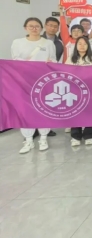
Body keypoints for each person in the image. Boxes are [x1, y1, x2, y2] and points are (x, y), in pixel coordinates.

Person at [11, 18, 56, 154]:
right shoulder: (17, 42)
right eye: (31, 26)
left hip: (43, 81)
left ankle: (43, 138)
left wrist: (50, 62)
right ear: (25, 28)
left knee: (44, 108)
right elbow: (14, 61)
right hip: (23, 82)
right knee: (25, 110)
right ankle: (28, 140)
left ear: (41, 28)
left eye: (37, 26)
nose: (34, 28)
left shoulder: (48, 43)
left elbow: (54, 60)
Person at [65, 36, 92, 146]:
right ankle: (75, 136)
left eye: (84, 44)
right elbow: (65, 73)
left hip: (90, 90)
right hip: (74, 90)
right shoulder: (71, 59)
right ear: (76, 46)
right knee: (75, 113)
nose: (82, 46)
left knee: (90, 113)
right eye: (80, 44)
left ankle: (89, 135)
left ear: (88, 46)